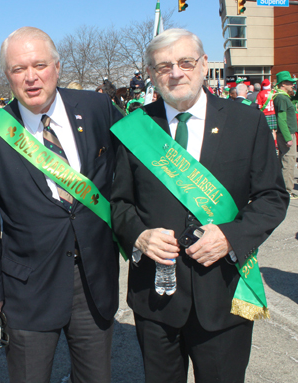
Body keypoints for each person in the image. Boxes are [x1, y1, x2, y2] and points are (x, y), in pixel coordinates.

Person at [110, 29, 289, 383]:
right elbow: (118, 203)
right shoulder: (135, 129)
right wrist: (140, 236)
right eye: (163, 66)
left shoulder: (246, 121)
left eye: (185, 62)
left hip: (223, 296)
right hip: (156, 298)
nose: (175, 73)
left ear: (204, 65)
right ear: (150, 73)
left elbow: (272, 197)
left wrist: (230, 236)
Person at [0, 26, 122, 383]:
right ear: (7, 75)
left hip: (93, 279)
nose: (31, 77)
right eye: (19, 69)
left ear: (57, 66)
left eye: (40, 65)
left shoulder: (98, 109)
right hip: (27, 288)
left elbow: (134, 171)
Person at [273, 70, 298, 199]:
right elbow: (281, 119)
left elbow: (296, 97)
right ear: (283, 84)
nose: (292, 85)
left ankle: (285, 189)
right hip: (286, 133)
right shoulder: (281, 98)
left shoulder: (283, 96)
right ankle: (287, 190)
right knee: (288, 161)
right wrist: (288, 137)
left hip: (287, 132)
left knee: (286, 161)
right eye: (290, 83)